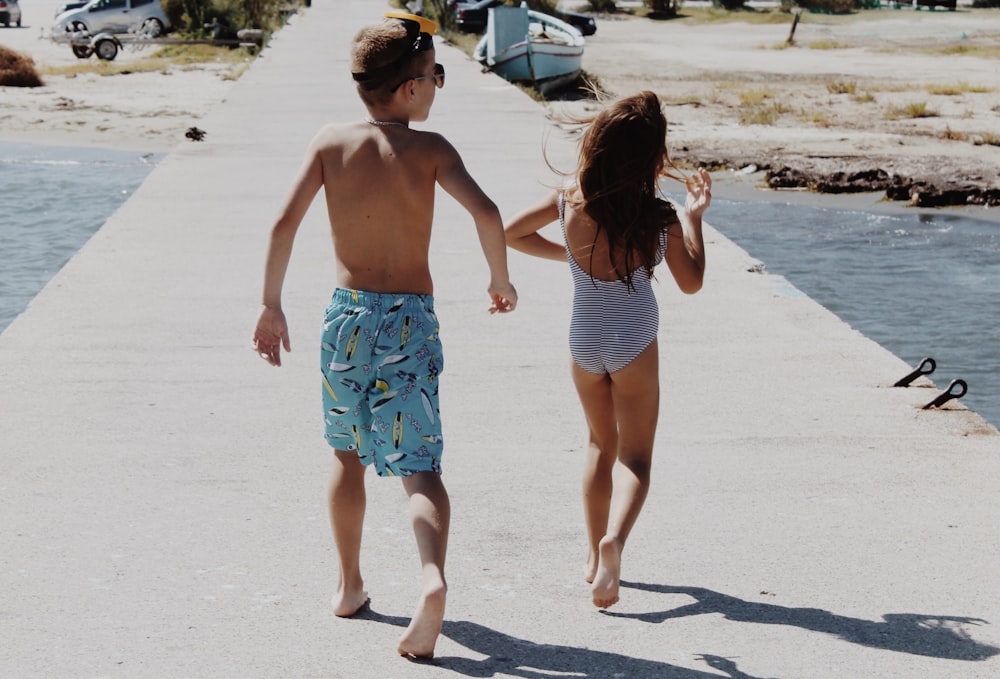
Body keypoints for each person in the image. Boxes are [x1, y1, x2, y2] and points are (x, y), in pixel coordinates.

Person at [251, 12, 517, 658]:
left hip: (346, 321)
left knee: (345, 455)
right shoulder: (431, 151)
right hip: (409, 322)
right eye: (434, 77)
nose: (436, 89)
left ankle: (348, 585)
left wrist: (271, 305)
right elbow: (487, 212)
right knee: (419, 467)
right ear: (407, 89)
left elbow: (282, 225)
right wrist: (498, 278)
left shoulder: (329, 143)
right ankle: (431, 576)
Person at [503, 91, 710, 609]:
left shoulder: (571, 198)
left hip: (584, 338)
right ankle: (614, 542)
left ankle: (593, 560)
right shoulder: (657, 214)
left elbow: (511, 232)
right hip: (632, 338)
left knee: (599, 445)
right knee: (635, 458)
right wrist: (695, 219)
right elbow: (692, 283)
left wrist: (571, 257)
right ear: (650, 158)